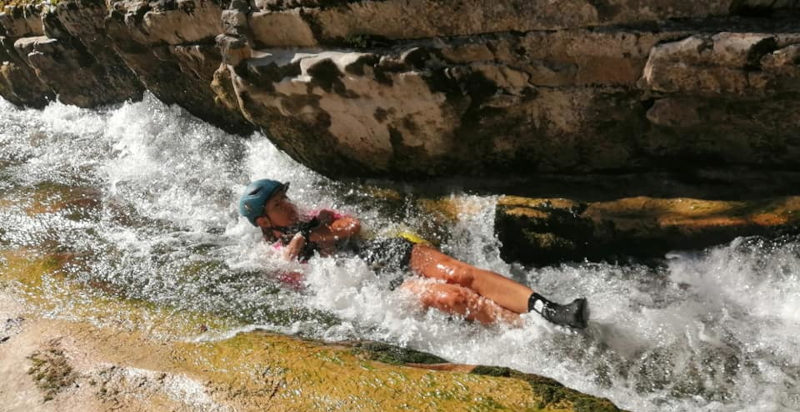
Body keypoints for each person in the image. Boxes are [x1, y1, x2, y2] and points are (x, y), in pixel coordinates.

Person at [239, 179, 589, 328]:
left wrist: (318, 230)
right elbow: (295, 278)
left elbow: (353, 226)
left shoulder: (315, 216)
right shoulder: (274, 252)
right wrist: (299, 244)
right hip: (376, 289)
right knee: (451, 297)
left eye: (285, 199)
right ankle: (530, 330)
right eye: (277, 204)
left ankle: (550, 309)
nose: (288, 205)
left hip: (384, 252)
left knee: (457, 273)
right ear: (263, 220)